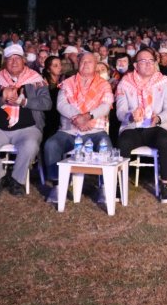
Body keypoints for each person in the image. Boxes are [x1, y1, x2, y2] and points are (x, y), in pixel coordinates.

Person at [0, 45, 53, 196]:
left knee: (30, 146)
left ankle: (17, 181)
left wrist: (24, 102)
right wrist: (1, 98)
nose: (14, 62)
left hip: (28, 127)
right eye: (10, 59)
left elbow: (46, 104)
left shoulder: (36, 80)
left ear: (24, 61)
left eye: (17, 58)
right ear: (5, 62)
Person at [43, 52, 115, 203]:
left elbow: (106, 106)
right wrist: (78, 118)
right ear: (78, 64)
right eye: (83, 61)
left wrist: (87, 116)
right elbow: (61, 105)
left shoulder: (104, 84)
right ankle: (57, 185)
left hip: (94, 130)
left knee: (106, 145)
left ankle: (104, 187)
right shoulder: (67, 82)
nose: (86, 64)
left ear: (96, 66)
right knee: (51, 144)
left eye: (90, 62)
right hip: (69, 129)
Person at [115, 48, 167, 203]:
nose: (149, 65)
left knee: (164, 139)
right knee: (123, 141)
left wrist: (159, 118)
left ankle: (166, 184)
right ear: (135, 65)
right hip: (134, 126)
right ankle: (118, 183)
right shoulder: (125, 83)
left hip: (156, 126)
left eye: (151, 61)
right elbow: (120, 112)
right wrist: (130, 115)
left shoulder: (165, 82)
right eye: (144, 61)